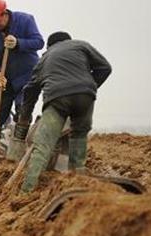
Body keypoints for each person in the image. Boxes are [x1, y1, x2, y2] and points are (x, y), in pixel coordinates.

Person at [17, 31, 112, 192]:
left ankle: (26, 191)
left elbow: (31, 90)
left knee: (43, 145)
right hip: (85, 97)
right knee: (78, 136)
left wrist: (24, 117)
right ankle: (77, 181)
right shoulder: (81, 45)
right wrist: (89, 86)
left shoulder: (45, 58)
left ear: (49, 46)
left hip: (57, 99)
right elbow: (105, 68)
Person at [0, 0, 44, 139]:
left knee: (23, 112)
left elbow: (39, 42)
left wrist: (18, 43)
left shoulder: (25, 20)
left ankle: (19, 145)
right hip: (5, 78)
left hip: (28, 76)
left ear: (4, 14)